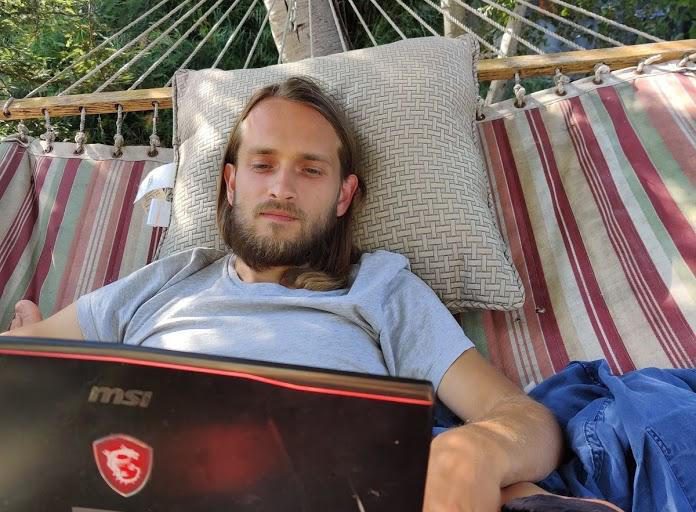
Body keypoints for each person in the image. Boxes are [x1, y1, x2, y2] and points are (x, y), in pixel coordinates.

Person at [3, 76, 621, 512]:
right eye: (263, 164)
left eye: (310, 169)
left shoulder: (380, 289)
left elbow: (525, 419)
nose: (282, 187)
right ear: (230, 182)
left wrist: (478, 450)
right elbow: (26, 362)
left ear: (344, 194)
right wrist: (27, 337)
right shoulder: (166, 280)